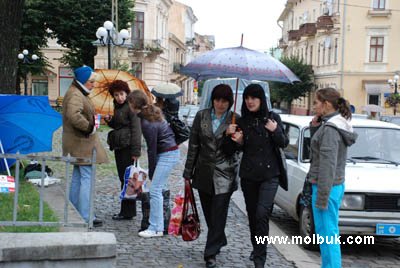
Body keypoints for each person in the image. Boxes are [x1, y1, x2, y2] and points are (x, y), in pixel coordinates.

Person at [225, 84, 288, 268]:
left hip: (270, 175)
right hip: (249, 175)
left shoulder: (273, 118)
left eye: (254, 97)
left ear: (261, 99)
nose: (250, 101)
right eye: (247, 98)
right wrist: (235, 140)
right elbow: (231, 150)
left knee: (262, 214)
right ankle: (257, 246)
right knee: (253, 215)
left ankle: (260, 259)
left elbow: (283, 142)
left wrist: (275, 130)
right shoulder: (241, 121)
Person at [183, 84, 240, 268]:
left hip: (225, 173)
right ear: (212, 100)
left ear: (230, 102)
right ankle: (219, 238)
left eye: (224, 101)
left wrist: (231, 136)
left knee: (218, 213)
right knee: (209, 213)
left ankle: (210, 253)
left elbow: (237, 151)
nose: (220, 104)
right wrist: (187, 172)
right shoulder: (202, 116)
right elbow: (194, 145)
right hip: (203, 172)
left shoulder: (235, 119)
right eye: (217, 100)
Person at [306, 88, 357, 268]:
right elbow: (320, 153)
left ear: (326, 104)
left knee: (328, 234)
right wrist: (314, 128)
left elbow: (328, 165)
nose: (313, 107)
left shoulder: (331, 129)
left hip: (325, 186)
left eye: (316, 103)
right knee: (325, 233)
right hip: (330, 185)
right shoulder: (331, 125)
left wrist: (322, 196)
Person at [127, 90, 180, 238]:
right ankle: (159, 226)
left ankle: (155, 228)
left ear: (133, 104)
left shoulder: (146, 121)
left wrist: (152, 170)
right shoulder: (150, 114)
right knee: (159, 188)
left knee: (155, 190)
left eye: (129, 103)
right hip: (170, 152)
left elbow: (152, 149)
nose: (129, 105)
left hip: (167, 154)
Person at [62, 65, 109, 227]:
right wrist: (89, 126)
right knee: (86, 179)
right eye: (91, 81)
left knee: (77, 178)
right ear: (82, 81)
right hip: (81, 143)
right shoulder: (76, 94)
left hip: (77, 143)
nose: (93, 84)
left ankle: (73, 210)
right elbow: (74, 115)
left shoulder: (77, 92)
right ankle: (85, 215)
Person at [104, 80, 142, 221]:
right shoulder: (117, 106)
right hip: (119, 146)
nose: (119, 97)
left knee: (128, 179)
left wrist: (136, 151)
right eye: (116, 95)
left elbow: (136, 130)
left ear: (126, 93)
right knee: (124, 178)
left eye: (121, 94)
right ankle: (127, 211)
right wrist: (110, 120)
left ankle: (127, 212)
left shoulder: (131, 107)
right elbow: (118, 125)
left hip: (128, 147)